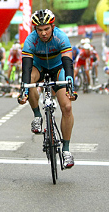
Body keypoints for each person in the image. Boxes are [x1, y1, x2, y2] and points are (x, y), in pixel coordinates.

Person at [18, 9, 77, 169]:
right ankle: (37, 115)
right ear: (35, 29)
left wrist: (69, 84)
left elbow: (68, 63)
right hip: (39, 68)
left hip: (59, 68)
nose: (43, 33)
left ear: (52, 26)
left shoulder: (61, 37)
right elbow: (27, 68)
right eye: (39, 30)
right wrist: (24, 89)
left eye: (46, 29)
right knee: (28, 80)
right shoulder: (30, 41)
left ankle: (66, 150)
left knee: (67, 107)